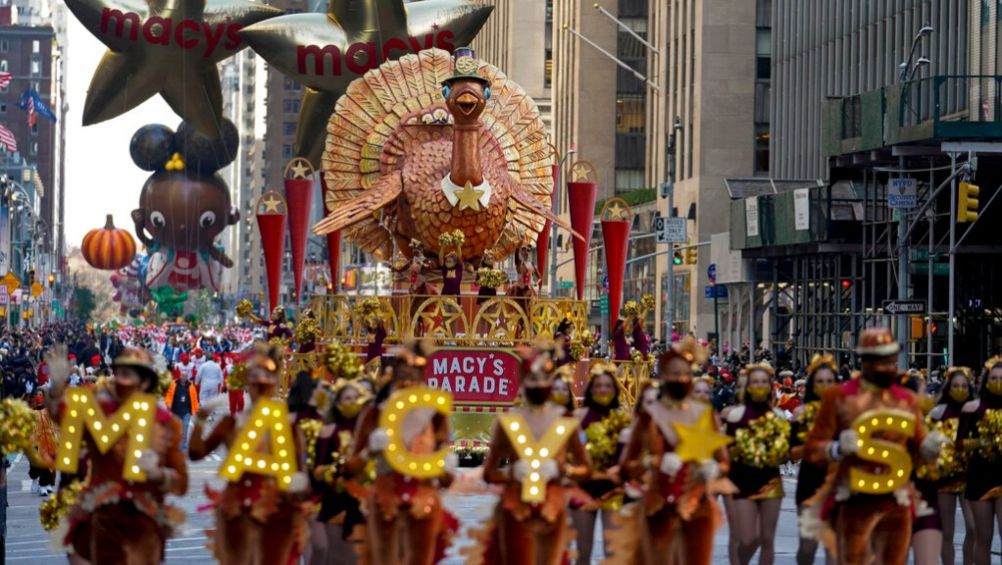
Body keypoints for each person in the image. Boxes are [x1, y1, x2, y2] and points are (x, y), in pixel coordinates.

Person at [804, 328, 943, 565]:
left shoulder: (907, 400)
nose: (886, 365)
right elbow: (813, 448)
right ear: (865, 360)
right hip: (855, 499)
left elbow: (919, 444)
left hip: (896, 501)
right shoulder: (838, 397)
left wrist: (929, 448)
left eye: (890, 359)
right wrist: (836, 448)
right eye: (879, 359)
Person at [46, 345, 188, 563]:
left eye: (127, 374)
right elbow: (63, 418)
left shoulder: (165, 423)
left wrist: (158, 475)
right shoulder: (98, 409)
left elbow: (181, 483)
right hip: (104, 519)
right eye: (117, 373)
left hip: (145, 522)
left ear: (145, 382)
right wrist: (56, 386)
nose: (118, 380)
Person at [189, 342, 310, 564]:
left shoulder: (287, 425)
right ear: (247, 385)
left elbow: (300, 473)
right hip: (237, 509)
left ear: (274, 383)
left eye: (266, 381)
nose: (260, 387)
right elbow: (196, 453)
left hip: (277, 510)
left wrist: (299, 488)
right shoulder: (230, 423)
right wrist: (201, 417)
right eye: (255, 382)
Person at [346, 340, 459, 564]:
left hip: (423, 505)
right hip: (385, 503)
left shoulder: (434, 415)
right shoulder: (374, 414)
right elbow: (350, 469)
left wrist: (447, 465)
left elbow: (446, 480)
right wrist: (369, 451)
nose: (408, 382)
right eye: (403, 375)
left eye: (414, 375)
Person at [620, 337, 729, 564]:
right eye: (673, 373)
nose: (679, 378)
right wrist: (651, 463)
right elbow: (626, 467)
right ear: (662, 376)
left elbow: (724, 463)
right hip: (658, 504)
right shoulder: (649, 415)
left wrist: (712, 469)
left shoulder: (705, 414)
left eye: (683, 373)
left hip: (696, 507)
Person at [481, 342, 591, 564]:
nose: (538, 385)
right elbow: (488, 473)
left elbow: (586, 469)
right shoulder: (508, 421)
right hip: (516, 509)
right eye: (533, 379)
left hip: (552, 508)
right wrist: (510, 472)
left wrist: (563, 469)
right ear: (522, 381)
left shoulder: (565, 419)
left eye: (543, 379)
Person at [723, 362, 786, 565]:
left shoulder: (778, 416)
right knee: (748, 538)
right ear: (748, 386)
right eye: (755, 382)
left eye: (763, 382)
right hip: (742, 480)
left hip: (770, 480)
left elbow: (785, 451)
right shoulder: (736, 415)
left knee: (767, 539)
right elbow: (727, 450)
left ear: (770, 386)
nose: (759, 385)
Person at [570, 362, 626, 564]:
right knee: (583, 551)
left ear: (614, 390)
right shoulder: (578, 418)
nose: (603, 389)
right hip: (583, 487)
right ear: (591, 390)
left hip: (612, 489)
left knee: (613, 552)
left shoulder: (622, 419)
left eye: (607, 386)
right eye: (598, 386)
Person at [310, 380, 365, 565]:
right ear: (338, 403)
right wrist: (336, 469)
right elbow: (317, 470)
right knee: (336, 557)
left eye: (356, 398)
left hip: (362, 504)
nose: (352, 402)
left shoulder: (368, 433)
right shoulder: (328, 431)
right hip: (335, 503)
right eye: (347, 398)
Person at [790, 353, 837, 565]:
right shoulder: (801, 414)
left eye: (830, 381)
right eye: (820, 381)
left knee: (834, 549)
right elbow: (791, 454)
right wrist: (812, 445)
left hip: (838, 484)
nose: (825, 386)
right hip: (810, 483)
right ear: (812, 385)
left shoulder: (845, 412)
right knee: (808, 548)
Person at [928, 366, 975, 565]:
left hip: (970, 475)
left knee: (973, 528)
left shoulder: (975, 409)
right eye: (955, 385)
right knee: (947, 531)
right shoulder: (938, 412)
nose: (960, 389)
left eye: (964, 386)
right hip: (944, 476)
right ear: (948, 387)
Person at [958, 356, 1002, 565]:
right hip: (979, 477)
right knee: (982, 538)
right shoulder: (972, 408)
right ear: (986, 381)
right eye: (994, 378)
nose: (998, 383)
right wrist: (979, 443)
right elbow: (959, 444)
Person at [165, 367, 199, 450]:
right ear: (180, 376)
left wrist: (196, 409)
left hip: (186, 411)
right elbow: (168, 395)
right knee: (175, 428)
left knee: (185, 426)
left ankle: (183, 444)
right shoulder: (173, 384)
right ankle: (174, 442)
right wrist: (168, 403)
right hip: (175, 410)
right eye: (183, 376)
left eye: (185, 376)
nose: (184, 377)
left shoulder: (191, 386)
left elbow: (195, 398)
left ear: (187, 377)